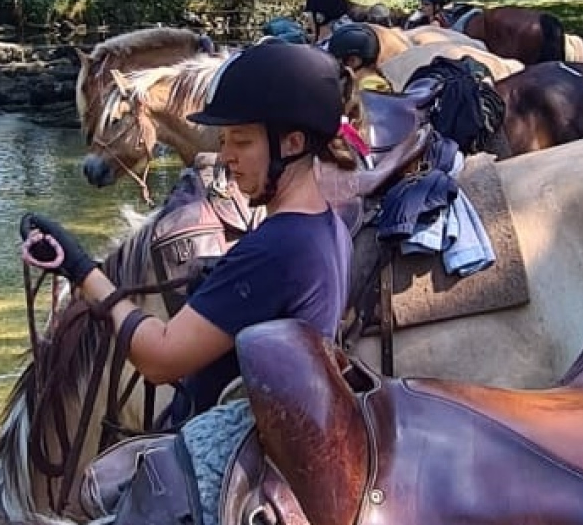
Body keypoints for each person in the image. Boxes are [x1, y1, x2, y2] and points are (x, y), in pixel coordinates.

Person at [19, 39, 354, 422]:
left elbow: (160, 359)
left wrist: (80, 269)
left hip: (234, 455)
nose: (226, 157)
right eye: (223, 141)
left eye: (242, 142)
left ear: (294, 143)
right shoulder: (328, 225)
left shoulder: (276, 249)